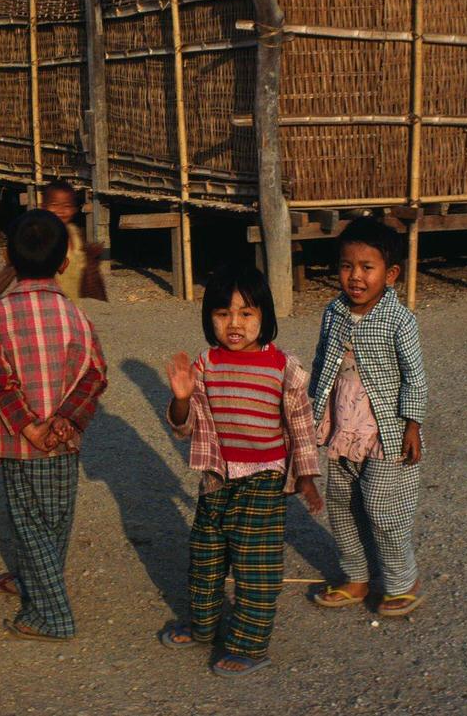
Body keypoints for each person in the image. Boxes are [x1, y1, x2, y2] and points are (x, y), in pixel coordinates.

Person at [160, 264, 323, 677]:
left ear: (265, 316)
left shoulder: (283, 368)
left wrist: (305, 477)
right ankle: (203, 626)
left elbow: (301, 427)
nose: (234, 323)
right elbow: (185, 425)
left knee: (255, 564)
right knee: (206, 556)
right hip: (216, 478)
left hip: (264, 478)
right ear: (208, 318)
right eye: (222, 313)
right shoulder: (205, 365)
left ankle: (249, 644)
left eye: (246, 313)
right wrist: (181, 398)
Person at [0, 208, 107, 640]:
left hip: (21, 442)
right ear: (65, 263)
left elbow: (0, 382)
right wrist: (65, 420)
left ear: (8, 259)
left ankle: (51, 615)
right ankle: (32, 581)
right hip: (64, 440)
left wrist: (30, 426)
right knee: (55, 519)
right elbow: (96, 374)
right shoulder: (77, 317)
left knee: (28, 521)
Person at [309, 217, 427, 616]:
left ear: (390, 274)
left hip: (386, 433)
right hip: (343, 430)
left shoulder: (399, 320)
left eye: (367, 267)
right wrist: (312, 417)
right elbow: (323, 362)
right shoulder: (333, 312)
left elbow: (415, 375)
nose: (354, 276)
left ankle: (401, 579)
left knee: (382, 507)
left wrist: (413, 425)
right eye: (346, 266)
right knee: (341, 504)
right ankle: (357, 577)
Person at [0, 179, 106, 302]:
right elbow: (16, 265)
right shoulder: (39, 236)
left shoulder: (75, 234)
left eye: (66, 206)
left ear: (74, 209)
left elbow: (82, 265)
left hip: (70, 305)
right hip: (41, 302)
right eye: (54, 205)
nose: (60, 211)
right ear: (43, 206)